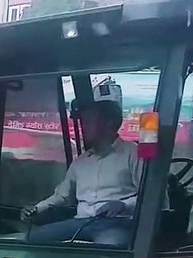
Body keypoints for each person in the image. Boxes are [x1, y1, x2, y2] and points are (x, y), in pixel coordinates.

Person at [20, 100, 143, 248]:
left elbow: (153, 196)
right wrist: (37, 209)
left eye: (88, 122)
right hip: (81, 222)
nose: (83, 127)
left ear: (109, 123)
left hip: (117, 223)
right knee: (31, 240)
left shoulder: (134, 154)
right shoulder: (81, 162)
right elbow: (62, 196)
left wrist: (123, 205)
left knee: (108, 249)